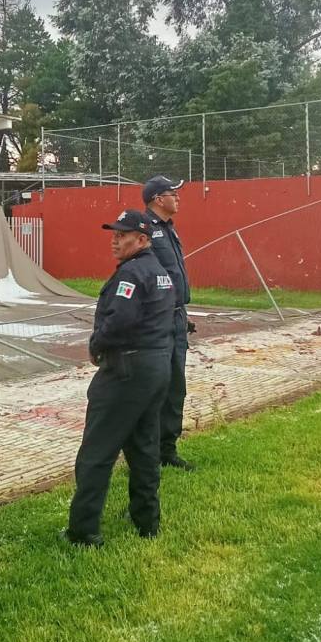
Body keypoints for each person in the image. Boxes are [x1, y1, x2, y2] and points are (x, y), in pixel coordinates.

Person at [65, 209, 175, 547]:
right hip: (156, 367)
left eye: (122, 235)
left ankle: (84, 531)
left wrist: (96, 344)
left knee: (97, 452)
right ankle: (147, 521)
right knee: (143, 447)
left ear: (142, 239)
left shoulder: (131, 274)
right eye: (113, 234)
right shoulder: (159, 272)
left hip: (126, 370)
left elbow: (119, 322)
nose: (114, 240)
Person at [143, 174, 196, 471]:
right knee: (156, 386)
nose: (178, 198)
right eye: (172, 193)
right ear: (157, 199)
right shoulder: (145, 229)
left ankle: (167, 449)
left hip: (176, 317)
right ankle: (147, 449)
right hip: (158, 319)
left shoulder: (170, 230)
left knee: (176, 386)